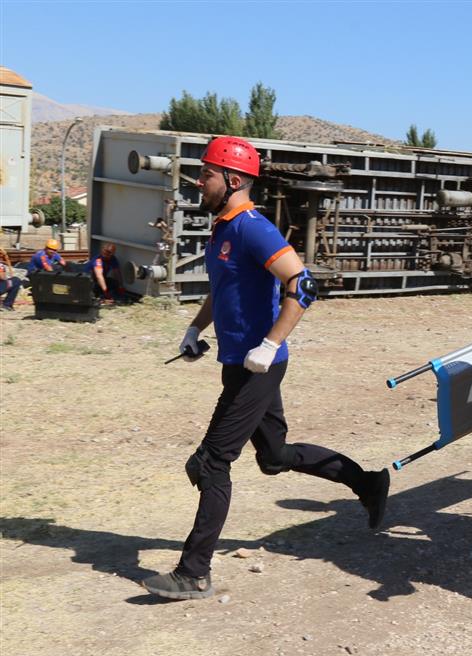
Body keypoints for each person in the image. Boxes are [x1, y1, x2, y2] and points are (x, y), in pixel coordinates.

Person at [142, 136, 391, 601]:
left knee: (212, 462)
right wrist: (195, 331)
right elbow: (223, 292)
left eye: (208, 173)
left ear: (233, 180)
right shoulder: (222, 227)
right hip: (238, 363)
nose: (200, 180)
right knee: (274, 456)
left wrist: (271, 343)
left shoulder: (253, 228)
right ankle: (368, 483)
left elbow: (304, 284)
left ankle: (193, 572)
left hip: (259, 366)